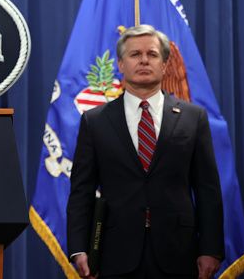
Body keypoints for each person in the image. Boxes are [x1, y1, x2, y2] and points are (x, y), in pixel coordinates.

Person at [67, 25, 224, 278]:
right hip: (115, 252)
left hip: (179, 252)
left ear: (164, 65)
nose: (143, 60)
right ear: (120, 64)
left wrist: (211, 249)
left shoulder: (193, 118)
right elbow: (81, 191)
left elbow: (208, 189)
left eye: (151, 54)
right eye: (134, 54)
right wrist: (77, 248)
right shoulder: (95, 121)